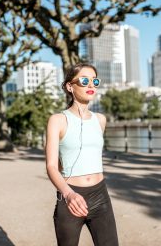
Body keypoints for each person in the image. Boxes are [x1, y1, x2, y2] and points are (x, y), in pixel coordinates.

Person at [45, 63, 119, 246]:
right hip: (70, 197)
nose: (91, 85)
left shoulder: (100, 120)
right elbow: (52, 166)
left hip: (100, 195)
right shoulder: (57, 120)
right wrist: (69, 194)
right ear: (70, 86)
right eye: (85, 81)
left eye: (95, 81)